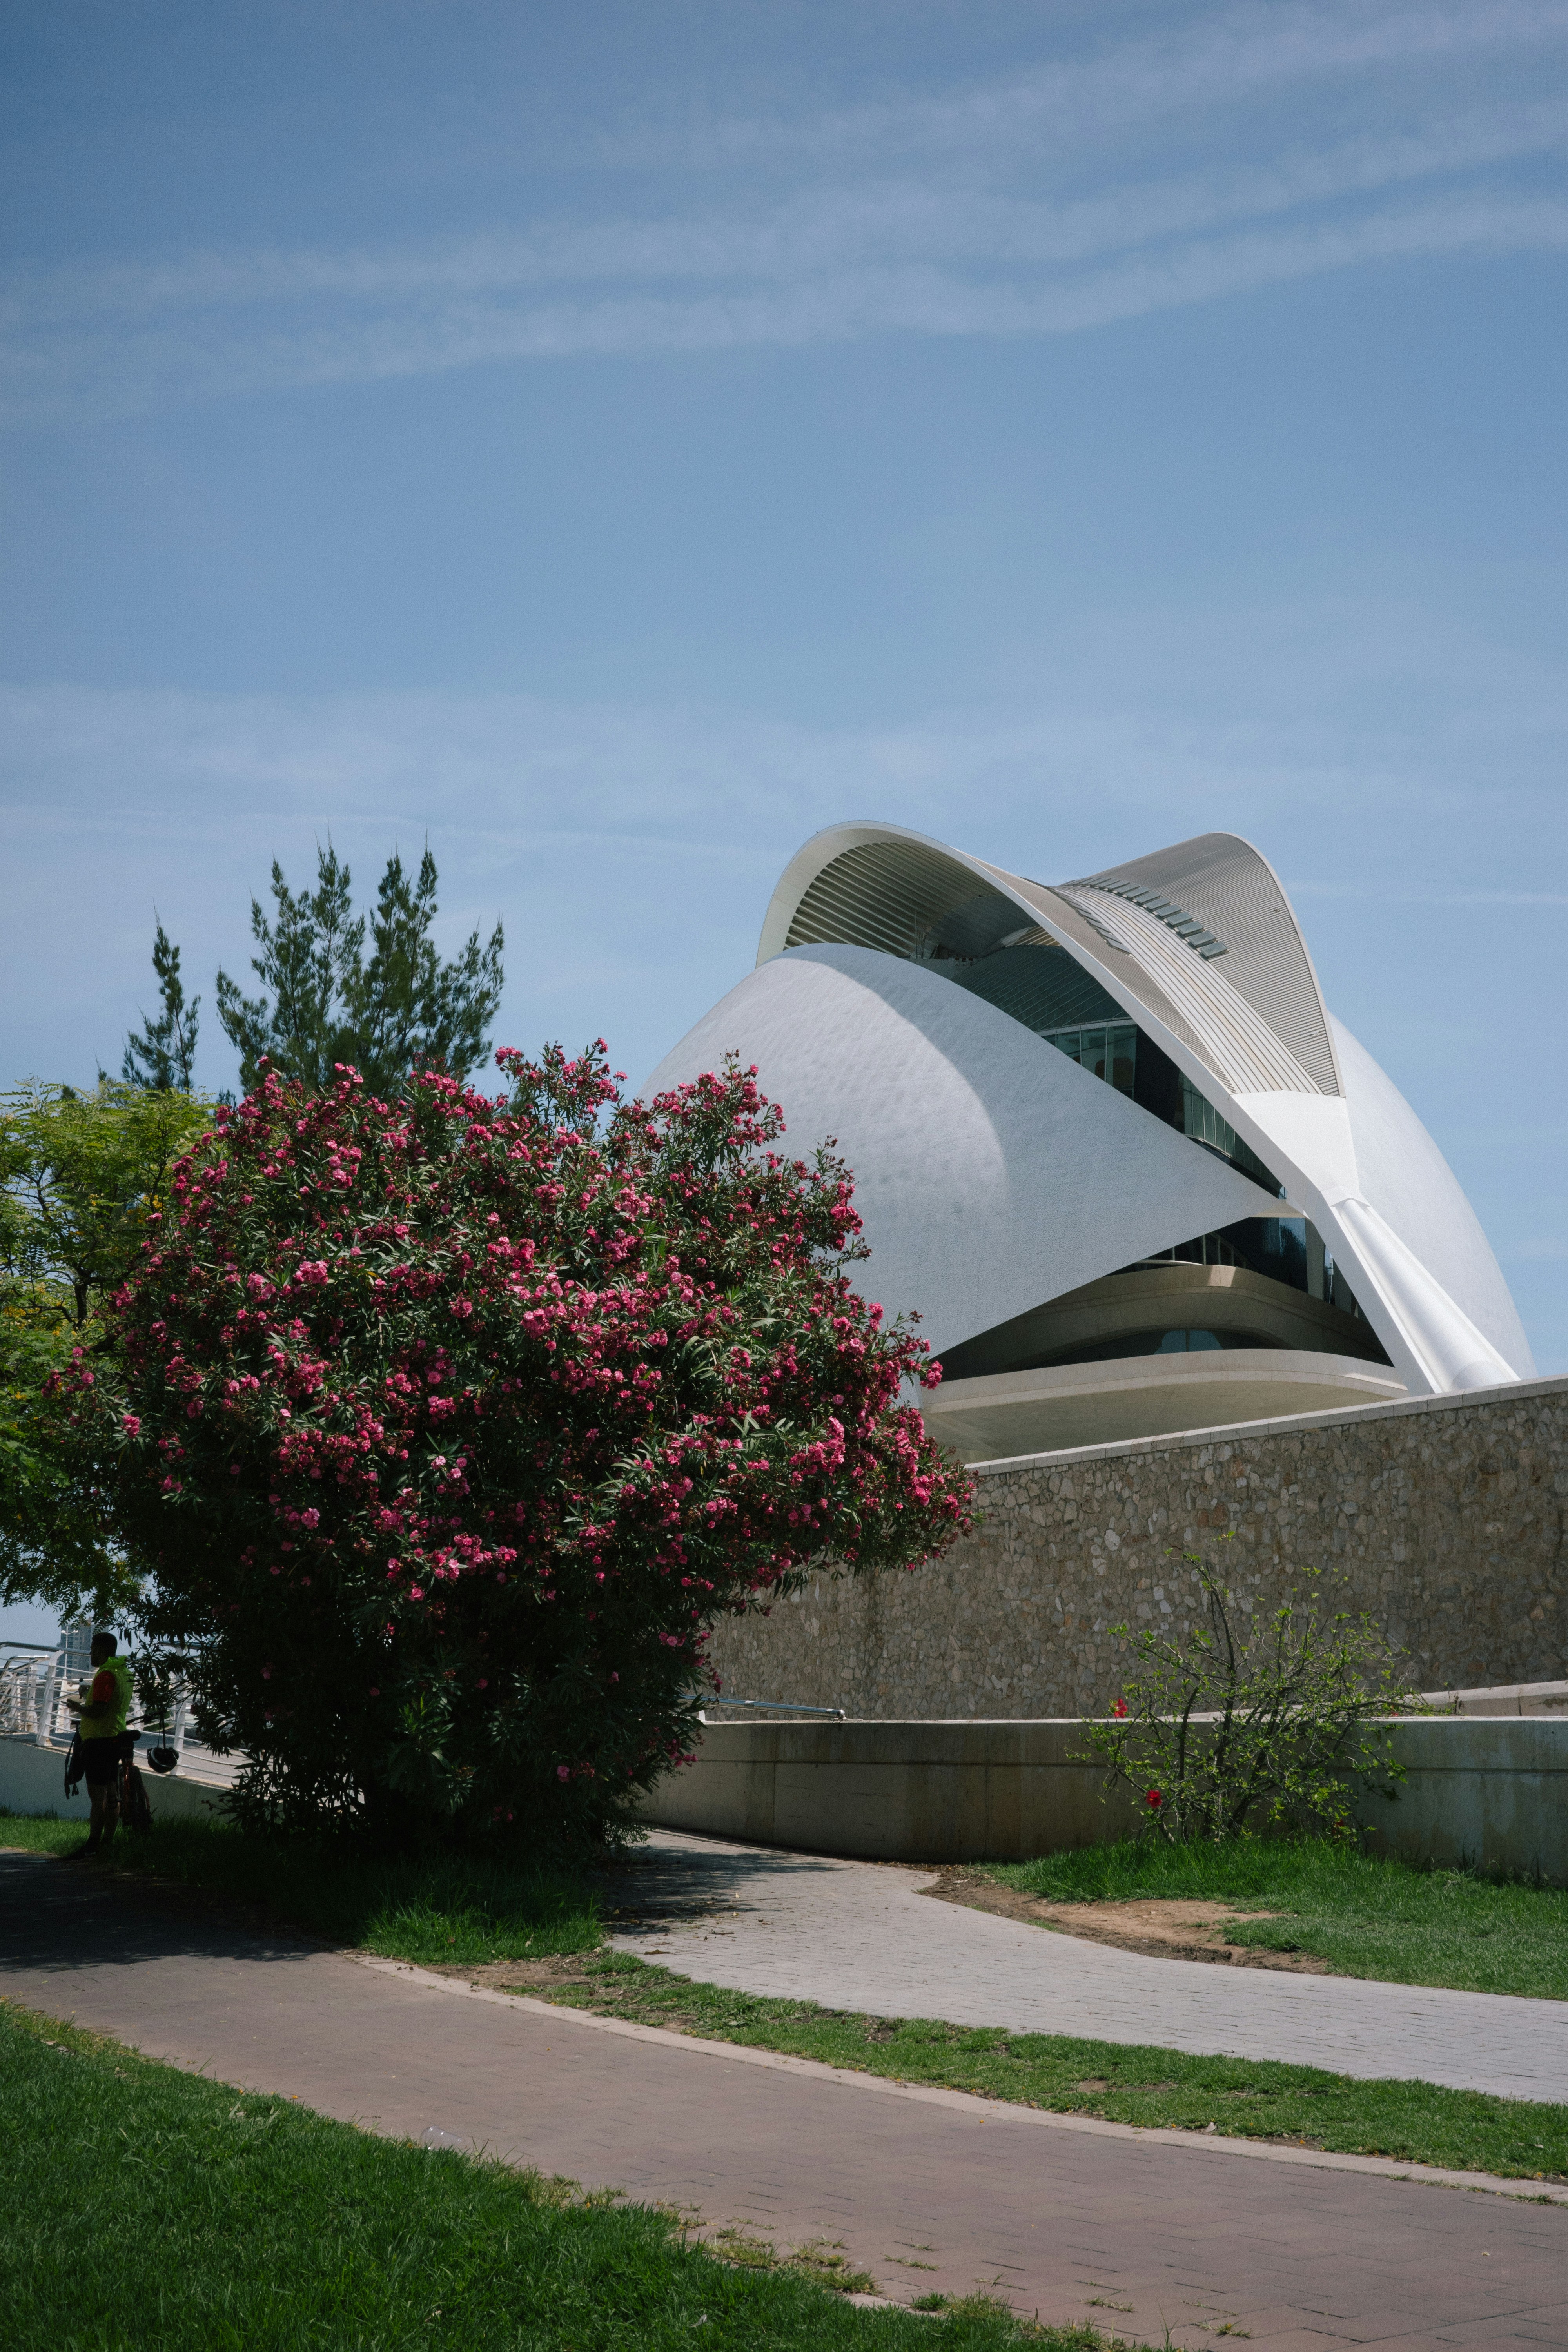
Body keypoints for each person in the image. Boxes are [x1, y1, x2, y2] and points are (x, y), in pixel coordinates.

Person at [65, 1631, 135, 1856]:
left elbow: (98, 1710)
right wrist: (90, 1694)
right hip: (116, 1735)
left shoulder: (106, 1674)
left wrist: (78, 1708)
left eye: (93, 1649)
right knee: (112, 1792)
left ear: (103, 1650)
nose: (90, 1653)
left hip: (99, 1740)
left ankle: (92, 1844)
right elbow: (112, 1701)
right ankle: (107, 1842)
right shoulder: (123, 1671)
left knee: (98, 1796)